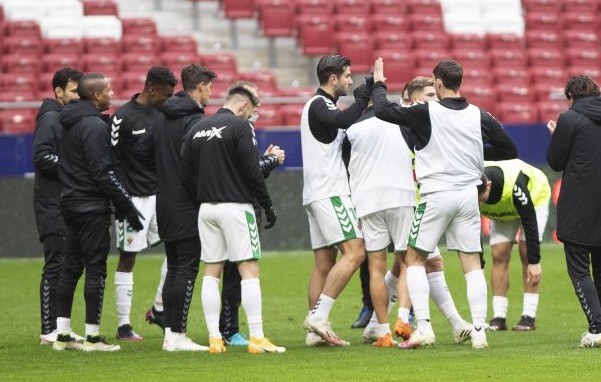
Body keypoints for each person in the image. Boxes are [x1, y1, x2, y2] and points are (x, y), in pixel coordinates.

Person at [371, 58, 518, 349]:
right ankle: (479, 331)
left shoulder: (426, 112)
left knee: (413, 259)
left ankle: (424, 327)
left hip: (436, 194)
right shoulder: (479, 114)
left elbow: (383, 110)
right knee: (472, 264)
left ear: (437, 82)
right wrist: (475, 152)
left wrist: (378, 82)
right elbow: (509, 149)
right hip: (468, 196)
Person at [360, 76, 473, 347]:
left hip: (411, 201)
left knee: (406, 264)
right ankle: (445, 323)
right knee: (423, 262)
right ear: (412, 100)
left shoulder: (422, 123)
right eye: (430, 96)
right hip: (410, 202)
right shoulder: (409, 124)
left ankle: (377, 324)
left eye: (436, 94)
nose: (436, 100)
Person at [181, 82, 284, 354]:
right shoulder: (241, 127)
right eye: (252, 110)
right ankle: (257, 337)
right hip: (236, 208)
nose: (253, 115)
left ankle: (215, 339)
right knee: (249, 271)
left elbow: (186, 174)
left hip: (207, 209)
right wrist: (268, 206)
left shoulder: (196, 128)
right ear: (242, 106)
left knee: (211, 272)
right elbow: (252, 173)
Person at [53, 73, 143, 352]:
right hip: (91, 207)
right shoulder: (93, 125)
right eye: (108, 90)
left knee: (70, 271)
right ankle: (92, 338)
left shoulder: (67, 121)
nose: (112, 93)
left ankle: (63, 336)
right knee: (95, 270)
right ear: (95, 96)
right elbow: (102, 172)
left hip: (69, 204)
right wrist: (126, 206)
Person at [144, 64, 216, 351]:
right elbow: (195, 165)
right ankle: (177, 335)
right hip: (187, 204)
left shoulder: (160, 119)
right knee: (186, 269)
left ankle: (171, 334)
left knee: (175, 267)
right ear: (200, 87)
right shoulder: (193, 122)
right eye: (209, 87)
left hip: (165, 202)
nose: (211, 93)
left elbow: (146, 153)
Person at [301, 54, 370, 347]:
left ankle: (313, 333)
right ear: (333, 79)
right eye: (347, 76)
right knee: (356, 252)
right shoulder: (320, 104)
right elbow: (342, 119)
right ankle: (319, 318)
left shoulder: (323, 105)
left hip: (316, 193)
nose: (350, 81)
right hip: (330, 192)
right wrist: (366, 95)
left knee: (324, 262)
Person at [110, 66, 177, 341]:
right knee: (128, 258)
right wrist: (123, 202)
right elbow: (111, 163)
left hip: (161, 196)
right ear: (151, 90)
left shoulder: (165, 113)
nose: (170, 98)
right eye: (167, 93)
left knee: (179, 249)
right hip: (133, 198)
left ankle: (159, 309)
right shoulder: (122, 118)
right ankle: (124, 326)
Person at [547, 74, 601, 348]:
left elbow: (555, 161)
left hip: (579, 204)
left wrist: (557, 135)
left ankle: (597, 327)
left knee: (580, 269)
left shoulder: (569, 119)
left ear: (570, 97)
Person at [33, 67, 84, 345]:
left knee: (64, 266)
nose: (78, 96)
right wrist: (74, 168)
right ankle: (48, 329)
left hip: (61, 202)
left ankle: (58, 327)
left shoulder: (60, 117)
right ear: (59, 92)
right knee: (55, 266)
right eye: (74, 91)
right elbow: (42, 157)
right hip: (51, 203)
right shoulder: (51, 118)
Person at [479, 159, 549, 331]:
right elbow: (471, 228)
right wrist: (479, 265)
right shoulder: (468, 189)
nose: (479, 203)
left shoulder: (515, 185)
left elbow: (529, 220)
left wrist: (535, 262)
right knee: (499, 254)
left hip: (533, 198)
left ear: (488, 185)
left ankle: (528, 316)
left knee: (526, 253)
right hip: (502, 208)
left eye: (482, 198)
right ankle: (499, 317)